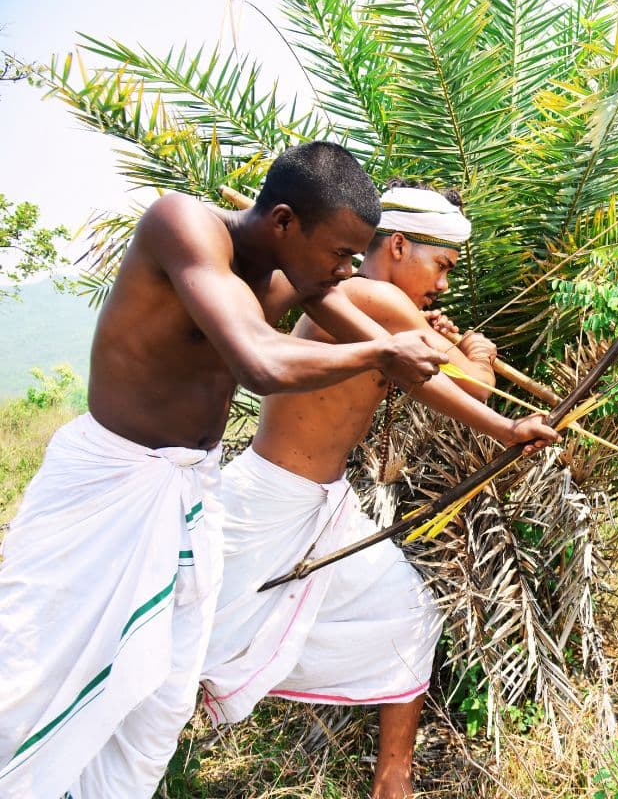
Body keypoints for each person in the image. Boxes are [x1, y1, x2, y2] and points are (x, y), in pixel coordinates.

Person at [0, 143, 453, 798]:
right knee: (36, 670)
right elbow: (258, 363)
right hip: (112, 480)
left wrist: (503, 424)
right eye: (339, 254)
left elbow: (413, 362)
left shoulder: (290, 279)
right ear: (285, 222)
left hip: (192, 486)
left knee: (156, 690)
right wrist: (390, 350)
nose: (345, 269)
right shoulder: (179, 222)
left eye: (354, 257)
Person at [201, 181, 558, 799]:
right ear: (397, 244)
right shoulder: (373, 297)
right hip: (270, 502)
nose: (443, 284)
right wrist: (475, 349)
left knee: (407, 614)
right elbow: (472, 387)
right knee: (180, 642)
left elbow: (419, 374)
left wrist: (437, 336)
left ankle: (393, 784)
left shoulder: (358, 297)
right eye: (441, 265)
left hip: (320, 502)